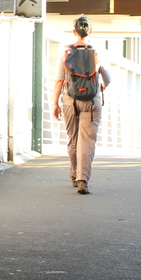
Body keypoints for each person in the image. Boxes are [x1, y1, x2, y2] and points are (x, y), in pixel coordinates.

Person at [52, 15, 111, 195]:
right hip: (91, 100)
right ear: (90, 31)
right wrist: (101, 85)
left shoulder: (65, 51)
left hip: (70, 99)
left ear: (74, 31)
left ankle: (73, 172)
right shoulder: (97, 50)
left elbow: (59, 80)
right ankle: (82, 179)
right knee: (87, 141)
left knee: (73, 138)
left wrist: (55, 103)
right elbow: (107, 78)